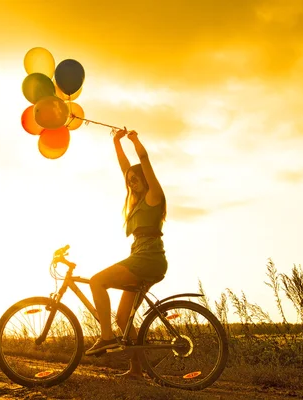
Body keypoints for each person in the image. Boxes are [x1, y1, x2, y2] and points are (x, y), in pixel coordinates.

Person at [85, 127, 168, 380]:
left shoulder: (154, 196)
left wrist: (134, 140)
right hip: (141, 258)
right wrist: (116, 143)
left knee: (97, 281)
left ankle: (106, 338)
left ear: (145, 180)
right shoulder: (137, 201)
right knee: (123, 318)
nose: (131, 182)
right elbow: (126, 168)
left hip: (148, 258)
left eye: (136, 179)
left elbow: (143, 161)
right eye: (129, 180)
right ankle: (137, 370)